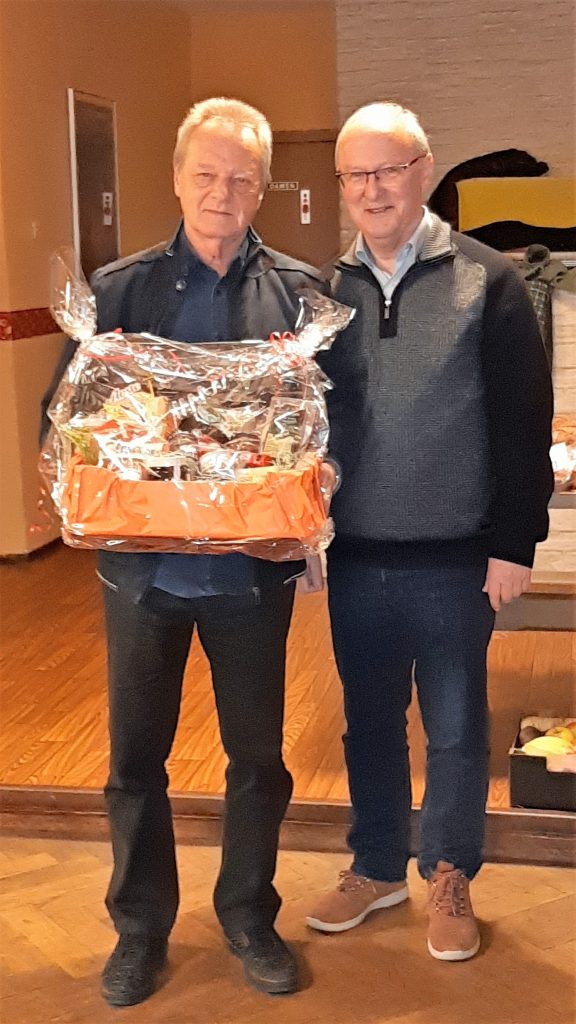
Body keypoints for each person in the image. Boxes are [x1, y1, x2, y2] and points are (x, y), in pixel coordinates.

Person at [42, 97, 328, 1006]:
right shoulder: (116, 290)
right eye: (205, 174)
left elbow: (329, 428)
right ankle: (140, 929)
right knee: (135, 762)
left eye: (241, 178)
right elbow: (67, 423)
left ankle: (248, 915)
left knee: (258, 760)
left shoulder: (300, 294)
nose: (221, 193)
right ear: (176, 178)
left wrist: (312, 493)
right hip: (144, 573)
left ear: (263, 186)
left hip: (249, 575)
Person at [308, 102, 553, 961]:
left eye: (389, 170)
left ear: (423, 171)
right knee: (369, 723)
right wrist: (302, 536)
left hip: (456, 557)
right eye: (356, 175)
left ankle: (450, 871)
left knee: (454, 728)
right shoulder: (321, 295)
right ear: (342, 186)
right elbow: (303, 428)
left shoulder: (489, 279)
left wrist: (515, 542)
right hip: (355, 556)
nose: (373, 189)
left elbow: (524, 420)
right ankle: (376, 866)